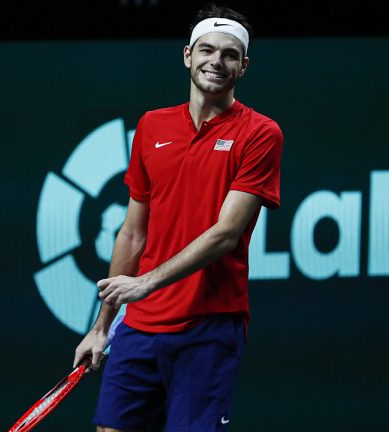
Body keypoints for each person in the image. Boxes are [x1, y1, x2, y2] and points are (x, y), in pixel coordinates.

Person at [73, 3, 283, 431]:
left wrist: (145, 283)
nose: (216, 62)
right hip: (139, 328)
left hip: (210, 327)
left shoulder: (261, 134)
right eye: (207, 50)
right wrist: (101, 327)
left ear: (243, 66)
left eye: (229, 55)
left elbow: (226, 234)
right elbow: (132, 234)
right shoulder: (151, 126)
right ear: (188, 55)